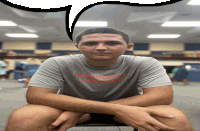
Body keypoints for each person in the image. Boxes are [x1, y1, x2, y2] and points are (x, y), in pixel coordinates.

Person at [4, 27, 194, 131]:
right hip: (72, 108)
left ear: (128, 46)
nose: (101, 47)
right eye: (91, 43)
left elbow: (162, 97)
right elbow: (37, 96)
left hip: (128, 107)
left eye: (112, 43)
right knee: (25, 118)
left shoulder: (145, 62)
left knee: (174, 119)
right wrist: (104, 109)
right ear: (78, 46)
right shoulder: (57, 62)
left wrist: (81, 111)